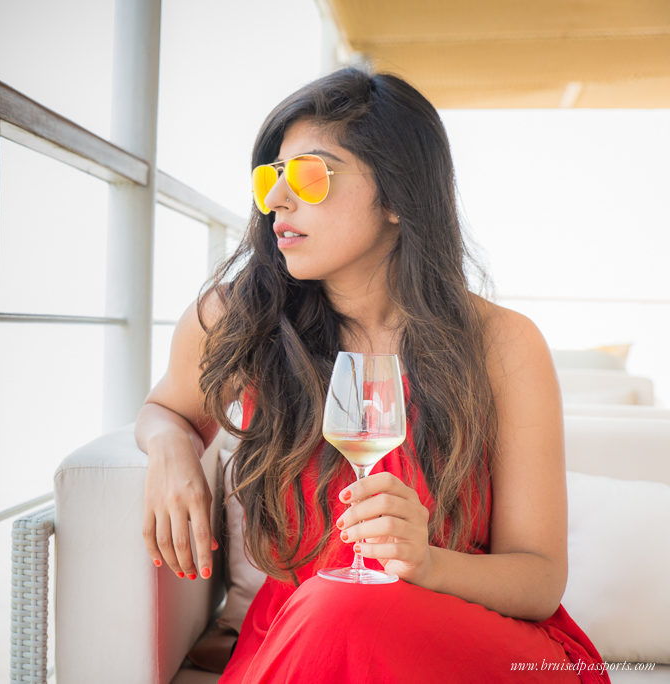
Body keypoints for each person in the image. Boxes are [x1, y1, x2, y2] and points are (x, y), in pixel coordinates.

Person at [135, 68, 609, 683]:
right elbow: (164, 408)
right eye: (271, 178)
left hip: (471, 638)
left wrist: (427, 565)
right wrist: (170, 442)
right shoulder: (235, 319)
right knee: (339, 609)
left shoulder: (503, 344)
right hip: (315, 633)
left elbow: (539, 578)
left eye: (310, 175)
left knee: (349, 606)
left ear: (395, 197)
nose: (278, 198)